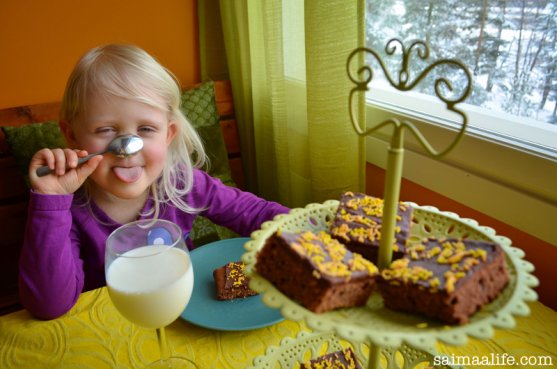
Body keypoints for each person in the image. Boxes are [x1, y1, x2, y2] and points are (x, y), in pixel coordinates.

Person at [18, 44, 289, 320]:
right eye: (106, 130)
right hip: (112, 328)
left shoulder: (182, 183)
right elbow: (48, 306)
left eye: (146, 129)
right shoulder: (68, 211)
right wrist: (51, 201)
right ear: (73, 136)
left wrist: (307, 232)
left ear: (168, 134)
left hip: (184, 316)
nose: (127, 149)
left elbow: (257, 214)